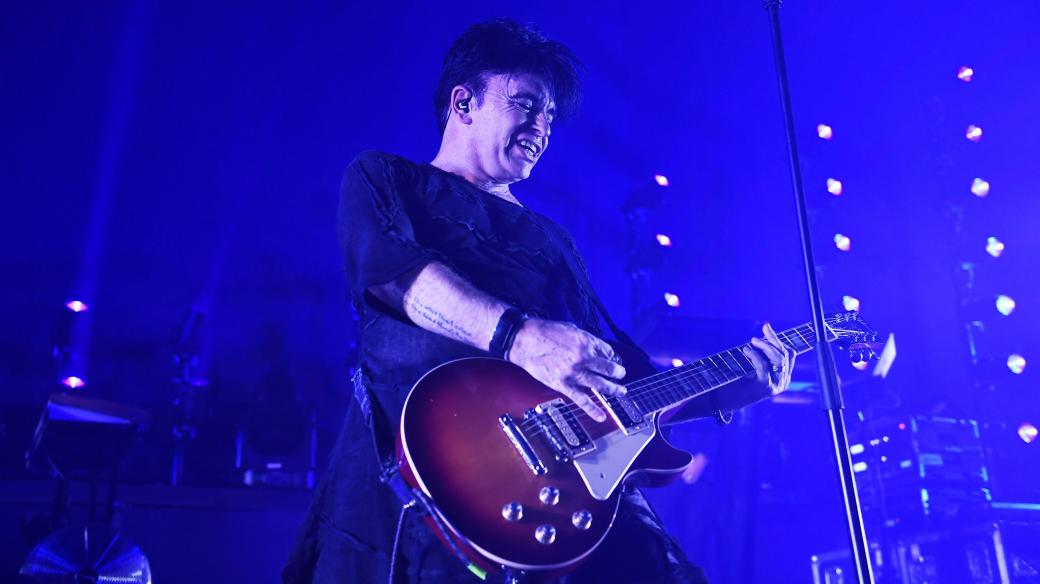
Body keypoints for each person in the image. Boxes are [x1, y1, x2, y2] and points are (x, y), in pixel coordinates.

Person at [283, 19, 794, 584]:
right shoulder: (385, 178)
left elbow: (619, 384)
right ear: (464, 102)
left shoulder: (551, 239)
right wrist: (520, 338)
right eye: (527, 104)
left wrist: (733, 383)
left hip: (564, 494)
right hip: (420, 484)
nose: (542, 126)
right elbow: (390, 273)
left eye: (550, 115)